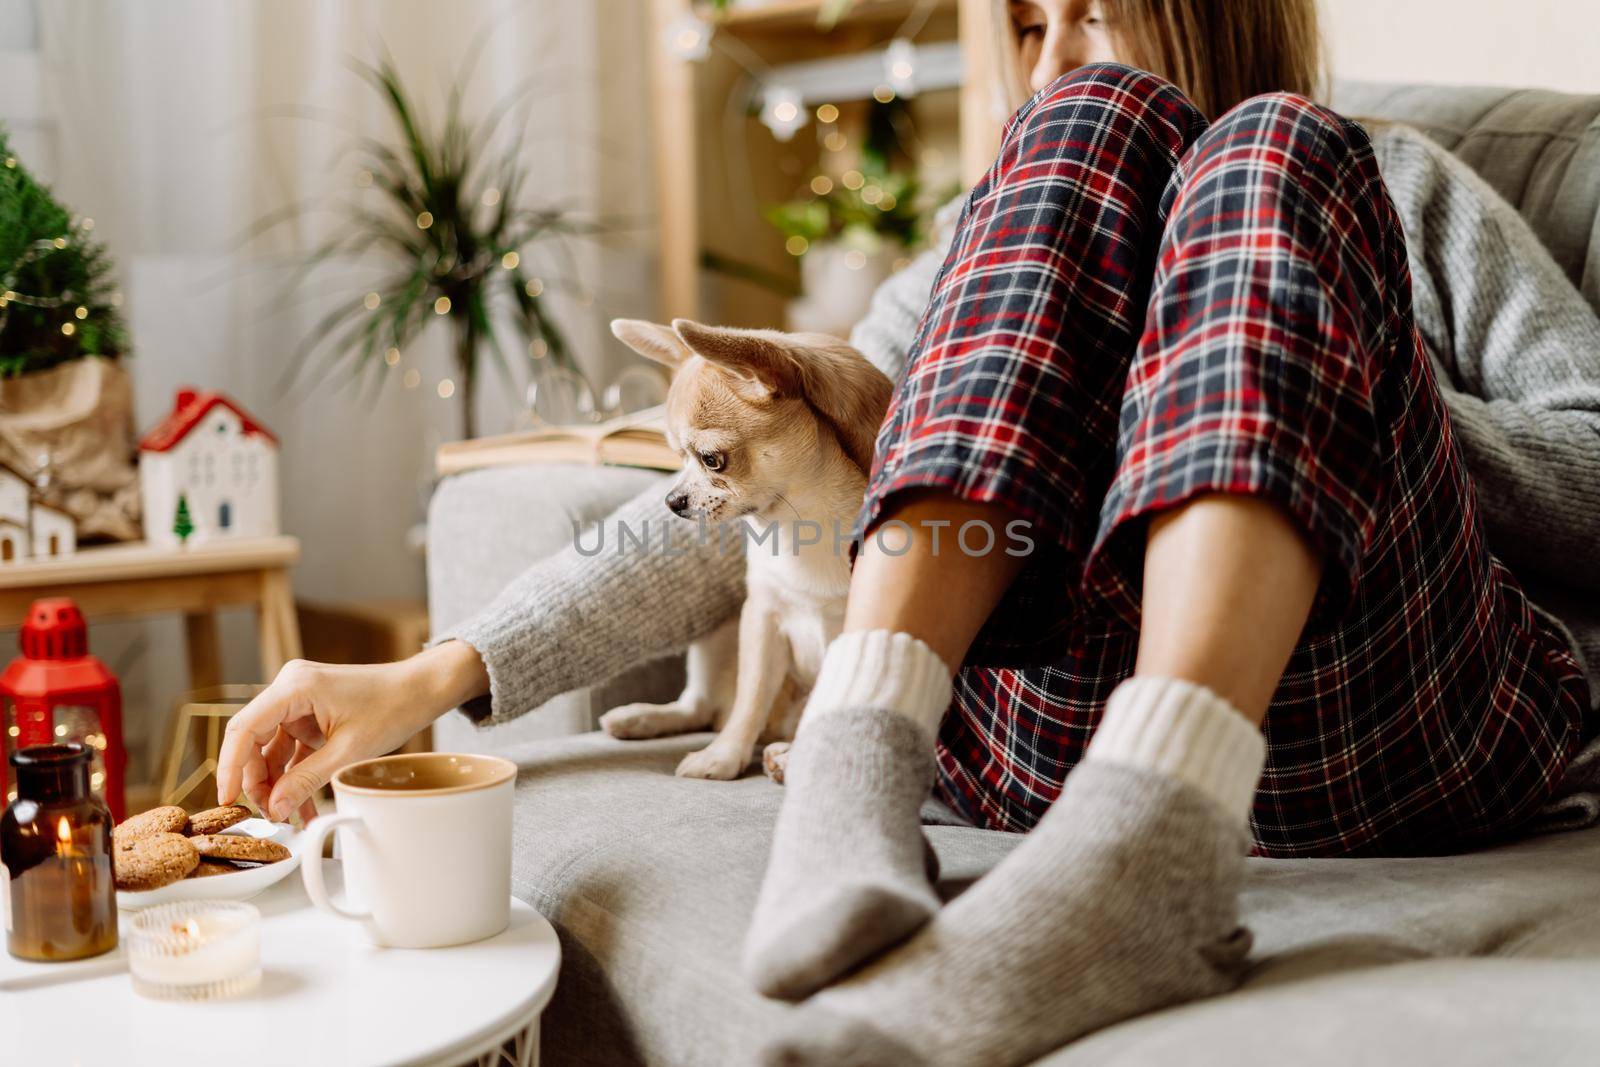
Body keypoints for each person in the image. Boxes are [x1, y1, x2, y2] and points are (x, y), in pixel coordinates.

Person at [218, 1, 1600, 1061]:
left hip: (1396, 714)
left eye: (1094, 12)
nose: (1052, 52)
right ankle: (857, 774)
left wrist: (1323, 388)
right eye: (1021, 22)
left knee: (1261, 144)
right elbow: (766, 489)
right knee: (1091, 129)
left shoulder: (1398, 186)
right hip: (1048, 732)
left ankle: (1156, 843)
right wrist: (427, 678)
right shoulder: (1010, 230)